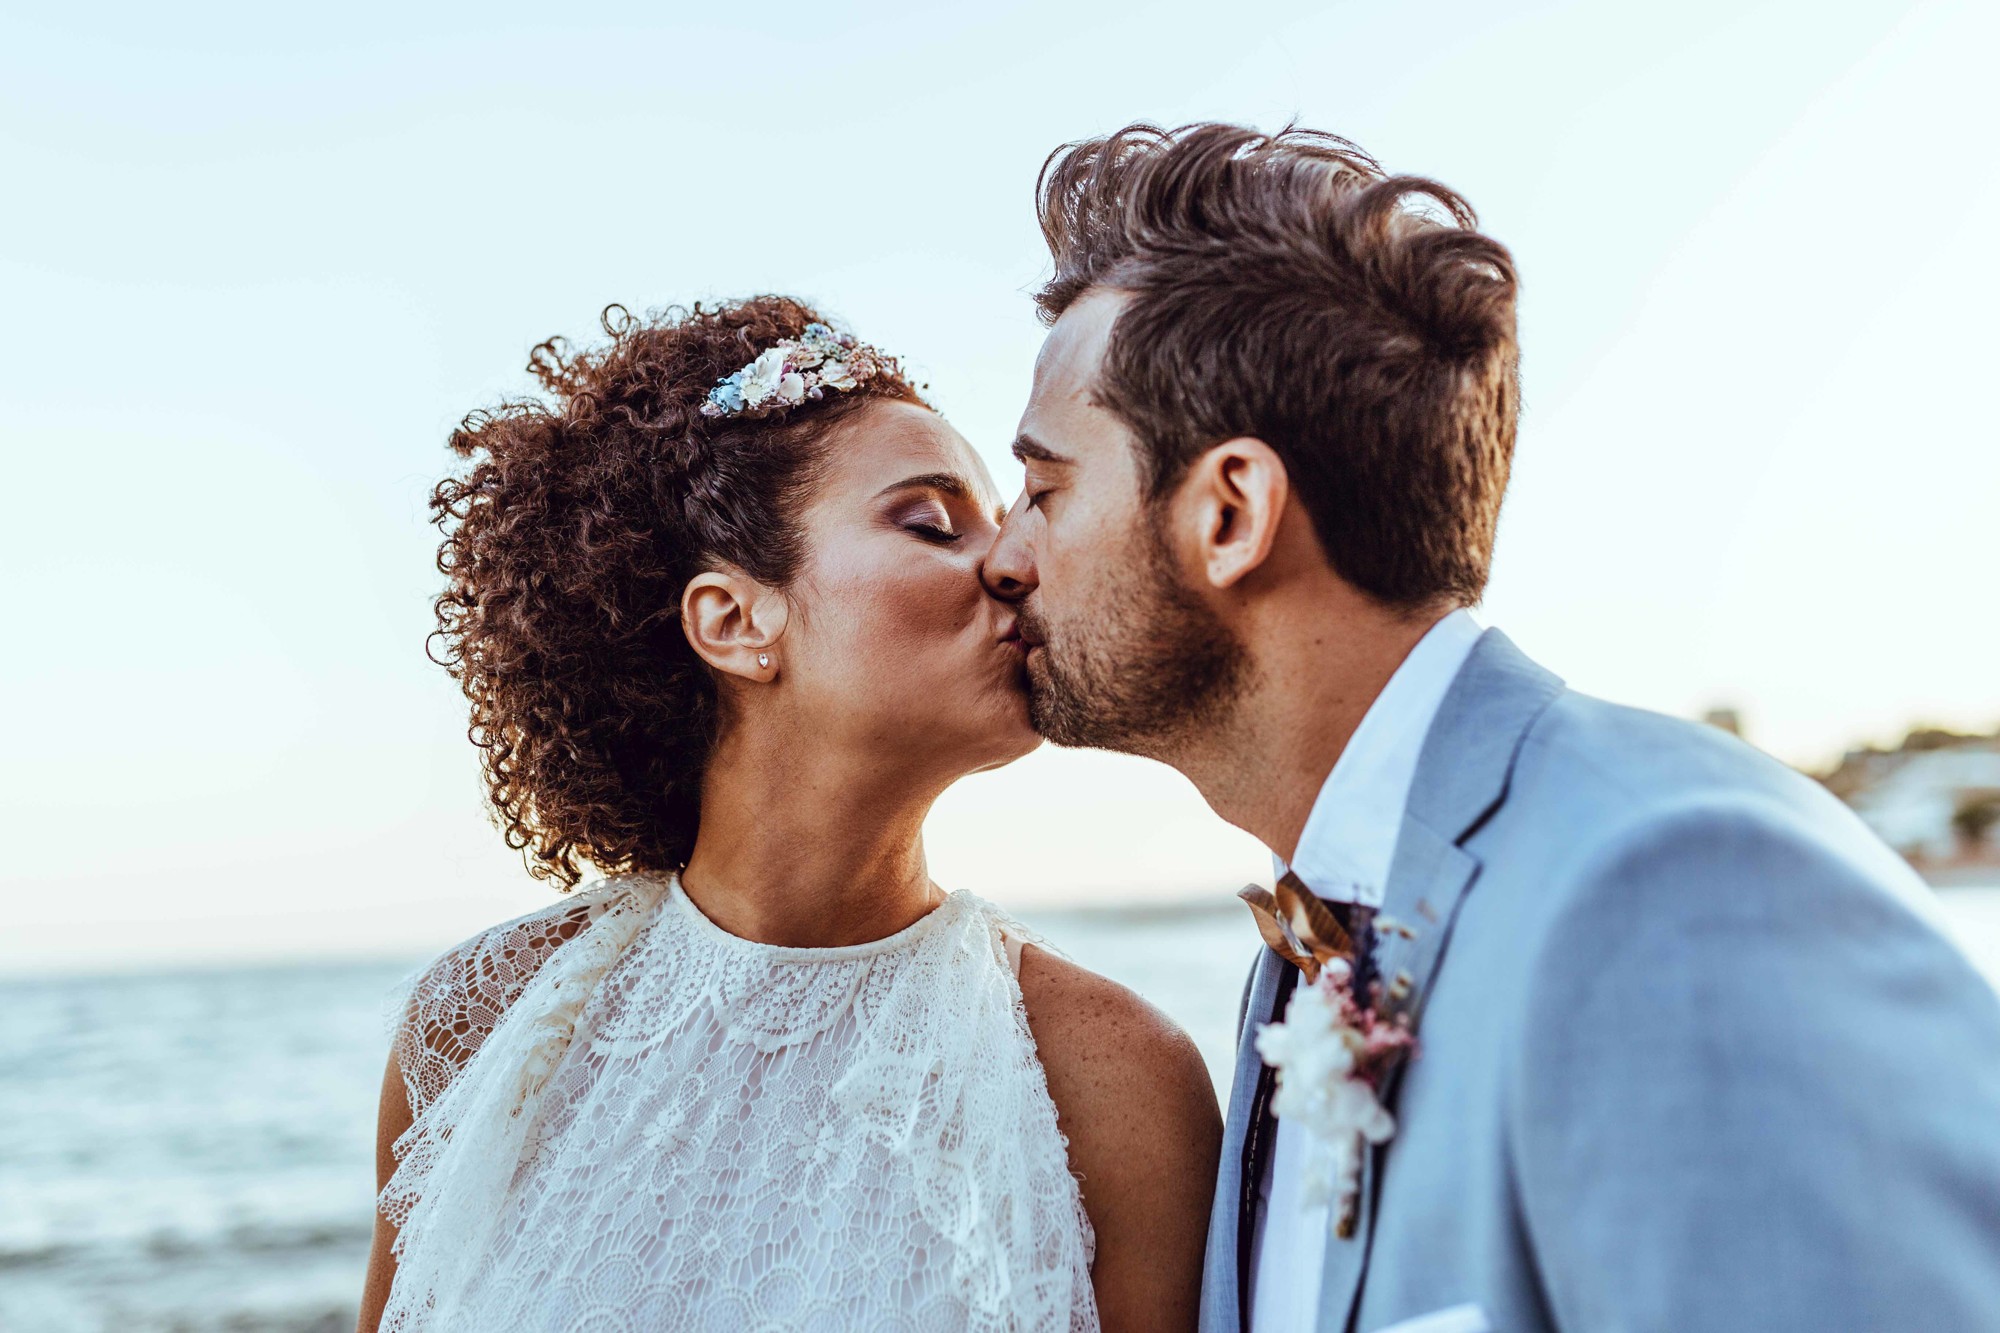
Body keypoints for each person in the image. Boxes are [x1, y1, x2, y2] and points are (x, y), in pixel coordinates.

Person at [980, 121, 2000, 1332]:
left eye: (1045, 491)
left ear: (1230, 514)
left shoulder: (1670, 893)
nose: (1004, 555)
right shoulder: (1302, 959)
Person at [354, 298, 1221, 1332]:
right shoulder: (485, 1025)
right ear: (732, 621)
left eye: (1008, 520)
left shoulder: (1111, 1076)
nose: (1010, 565)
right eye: (932, 522)